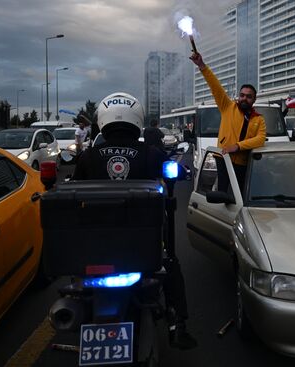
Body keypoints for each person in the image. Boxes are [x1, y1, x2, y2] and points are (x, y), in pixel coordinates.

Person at [72, 92, 197, 350]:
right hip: (142, 245)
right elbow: (180, 173)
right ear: (136, 119)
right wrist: (179, 172)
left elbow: (74, 189)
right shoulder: (150, 153)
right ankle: (177, 325)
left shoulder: (89, 157)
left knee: (77, 280)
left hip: (95, 245)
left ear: (103, 121)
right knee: (171, 265)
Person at [190, 51, 266, 193]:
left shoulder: (259, 119)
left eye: (249, 97)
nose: (244, 98)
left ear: (254, 100)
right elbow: (215, 86)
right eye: (242, 95)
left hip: (244, 162)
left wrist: (237, 146)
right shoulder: (227, 107)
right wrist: (201, 65)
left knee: (242, 194)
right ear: (238, 96)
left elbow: (260, 139)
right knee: (223, 192)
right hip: (223, 158)